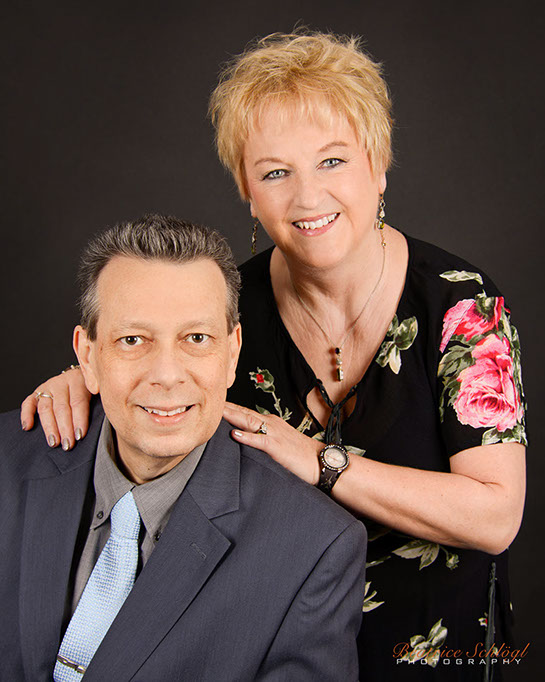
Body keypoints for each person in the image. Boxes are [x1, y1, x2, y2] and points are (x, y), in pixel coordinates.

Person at [21, 32, 527, 680]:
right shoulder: (230, 306)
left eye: (332, 161)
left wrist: (319, 462)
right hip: (271, 649)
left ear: (378, 164)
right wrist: (81, 380)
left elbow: (495, 516)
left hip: (433, 648)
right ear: (247, 189)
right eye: (275, 173)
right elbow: (153, 360)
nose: (307, 197)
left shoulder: (461, 305)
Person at [2, 214, 366, 681]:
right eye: (133, 340)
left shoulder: (312, 549)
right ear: (87, 356)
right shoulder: (9, 459)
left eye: (197, 338)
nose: (167, 375)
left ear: (232, 353)